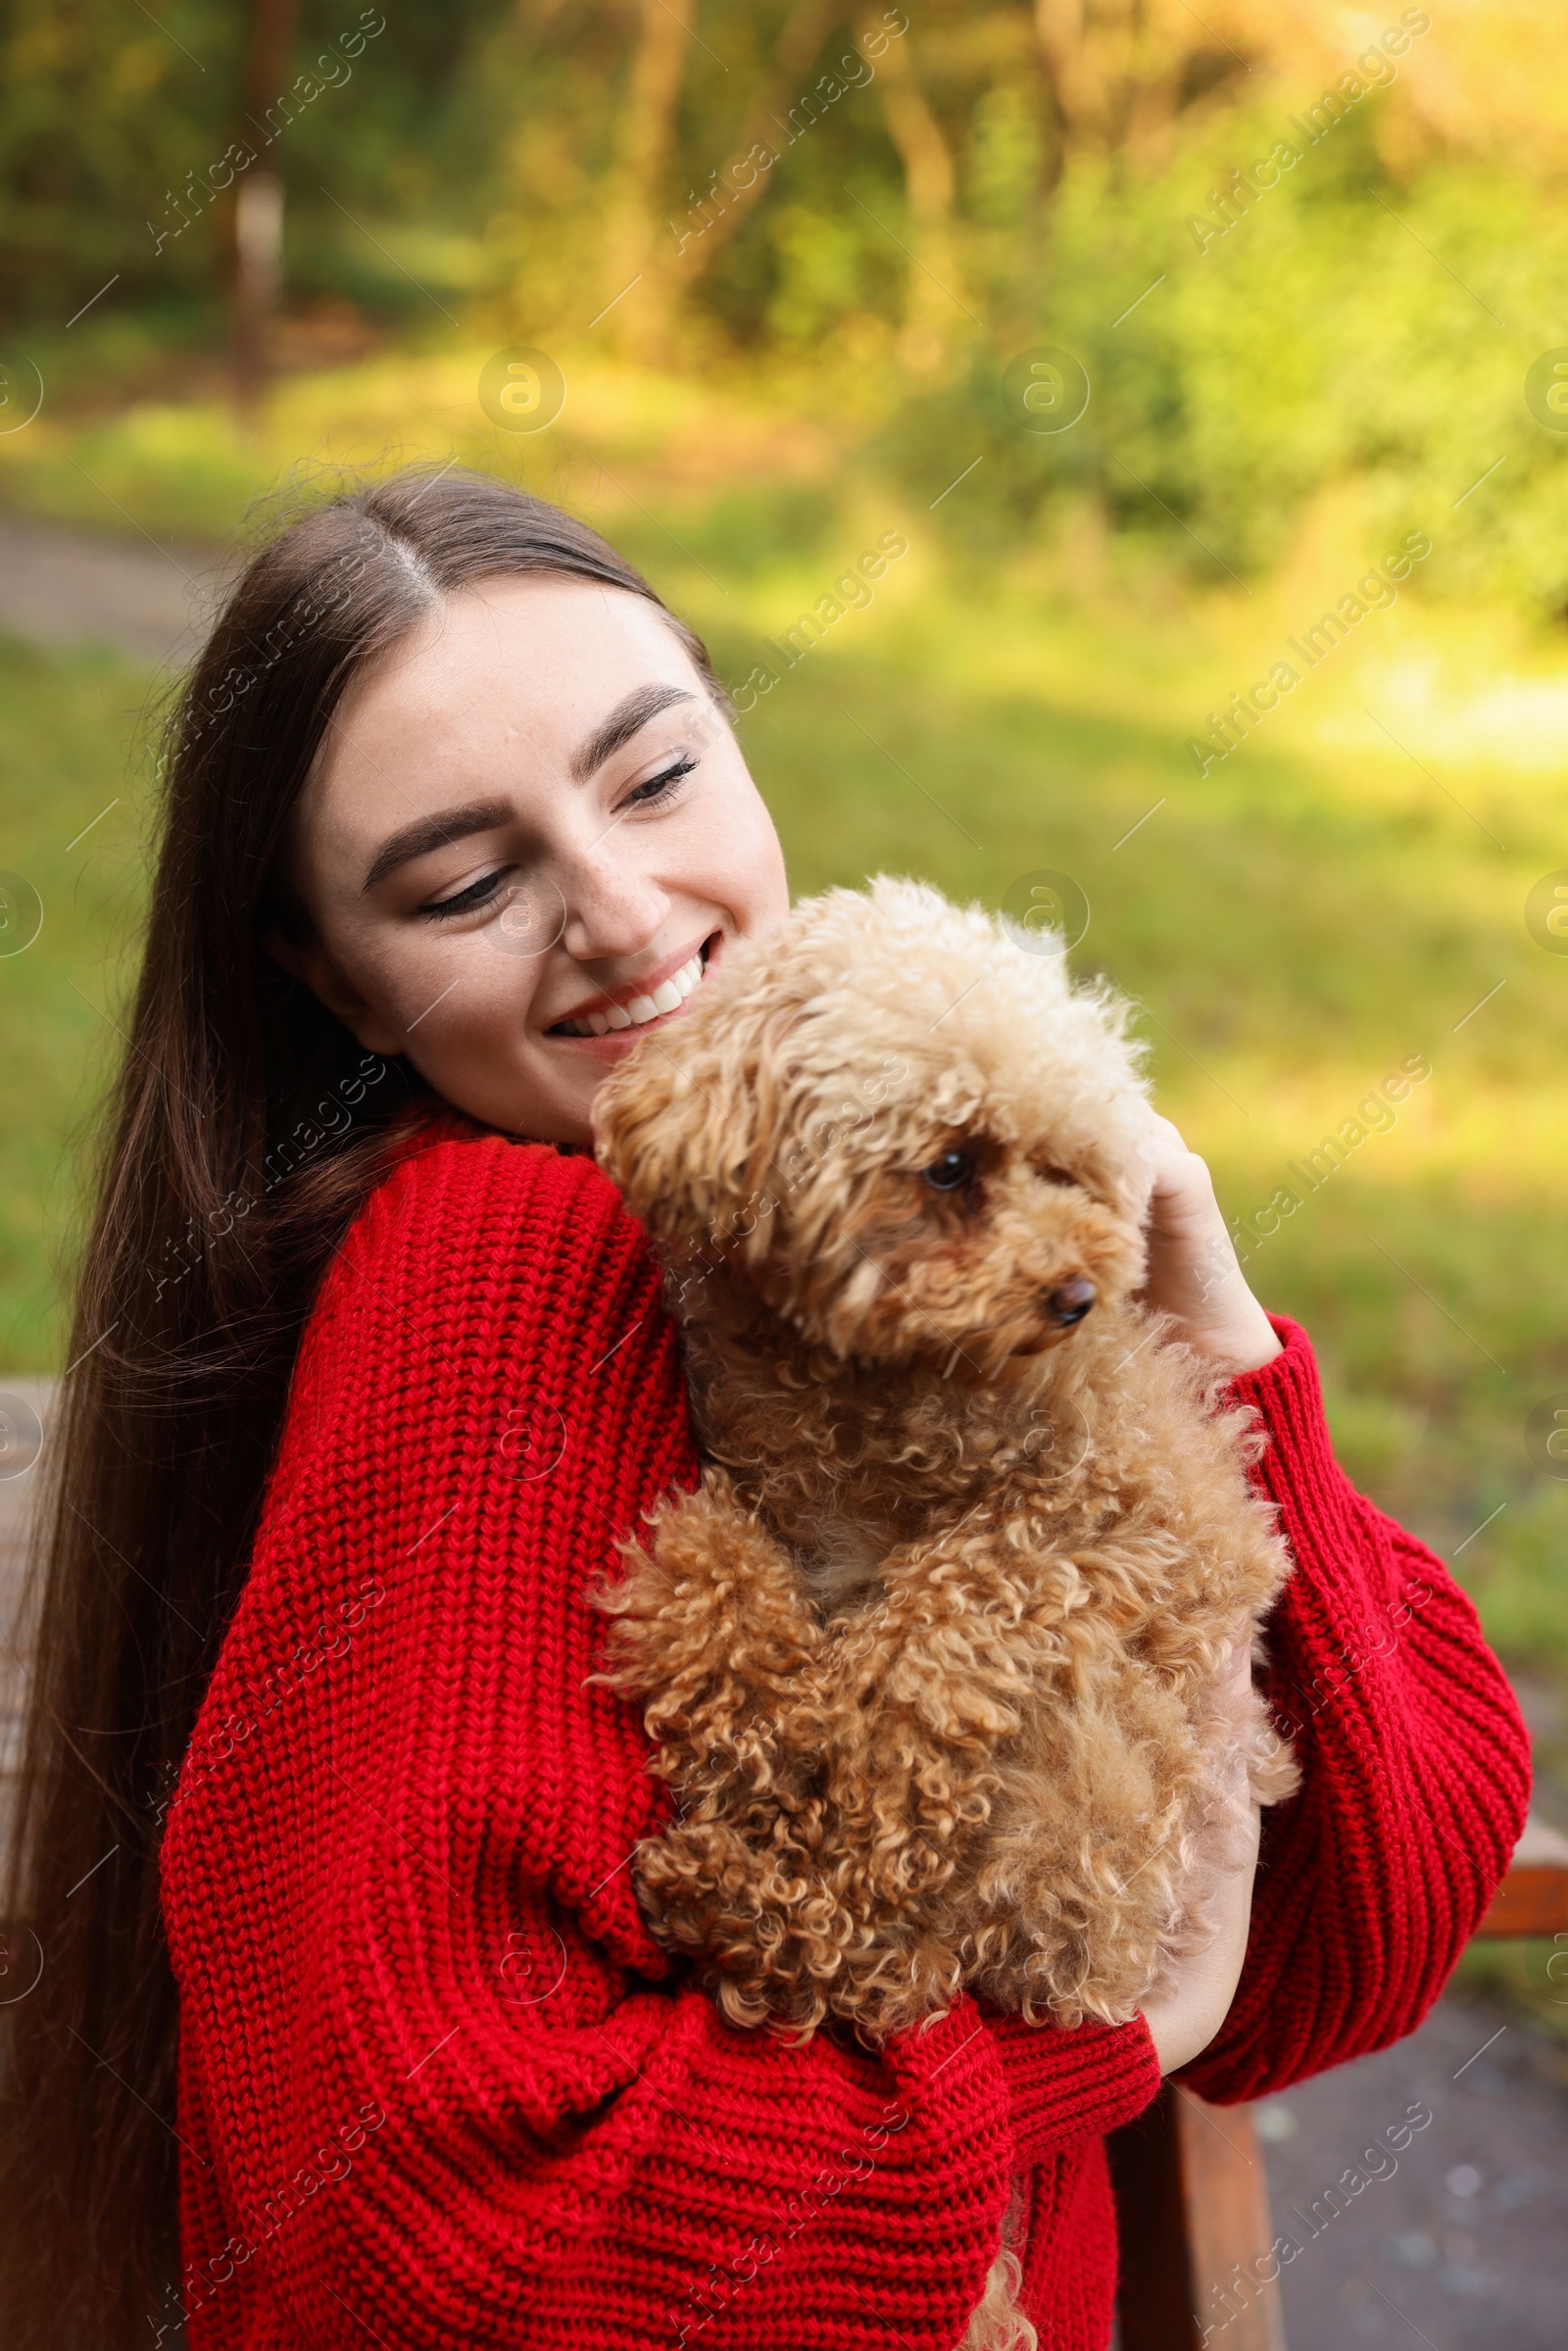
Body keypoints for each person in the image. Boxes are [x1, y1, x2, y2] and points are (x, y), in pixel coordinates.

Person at [0, 467, 1529, 2351]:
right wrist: (1103, 2040)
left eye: (658, 775)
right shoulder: (503, 1283)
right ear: (335, 983)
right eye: (470, 882)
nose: (628, 915)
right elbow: (460, 2267)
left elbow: (1379, 1916)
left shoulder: (849, 1256)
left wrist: (1216, 1358)